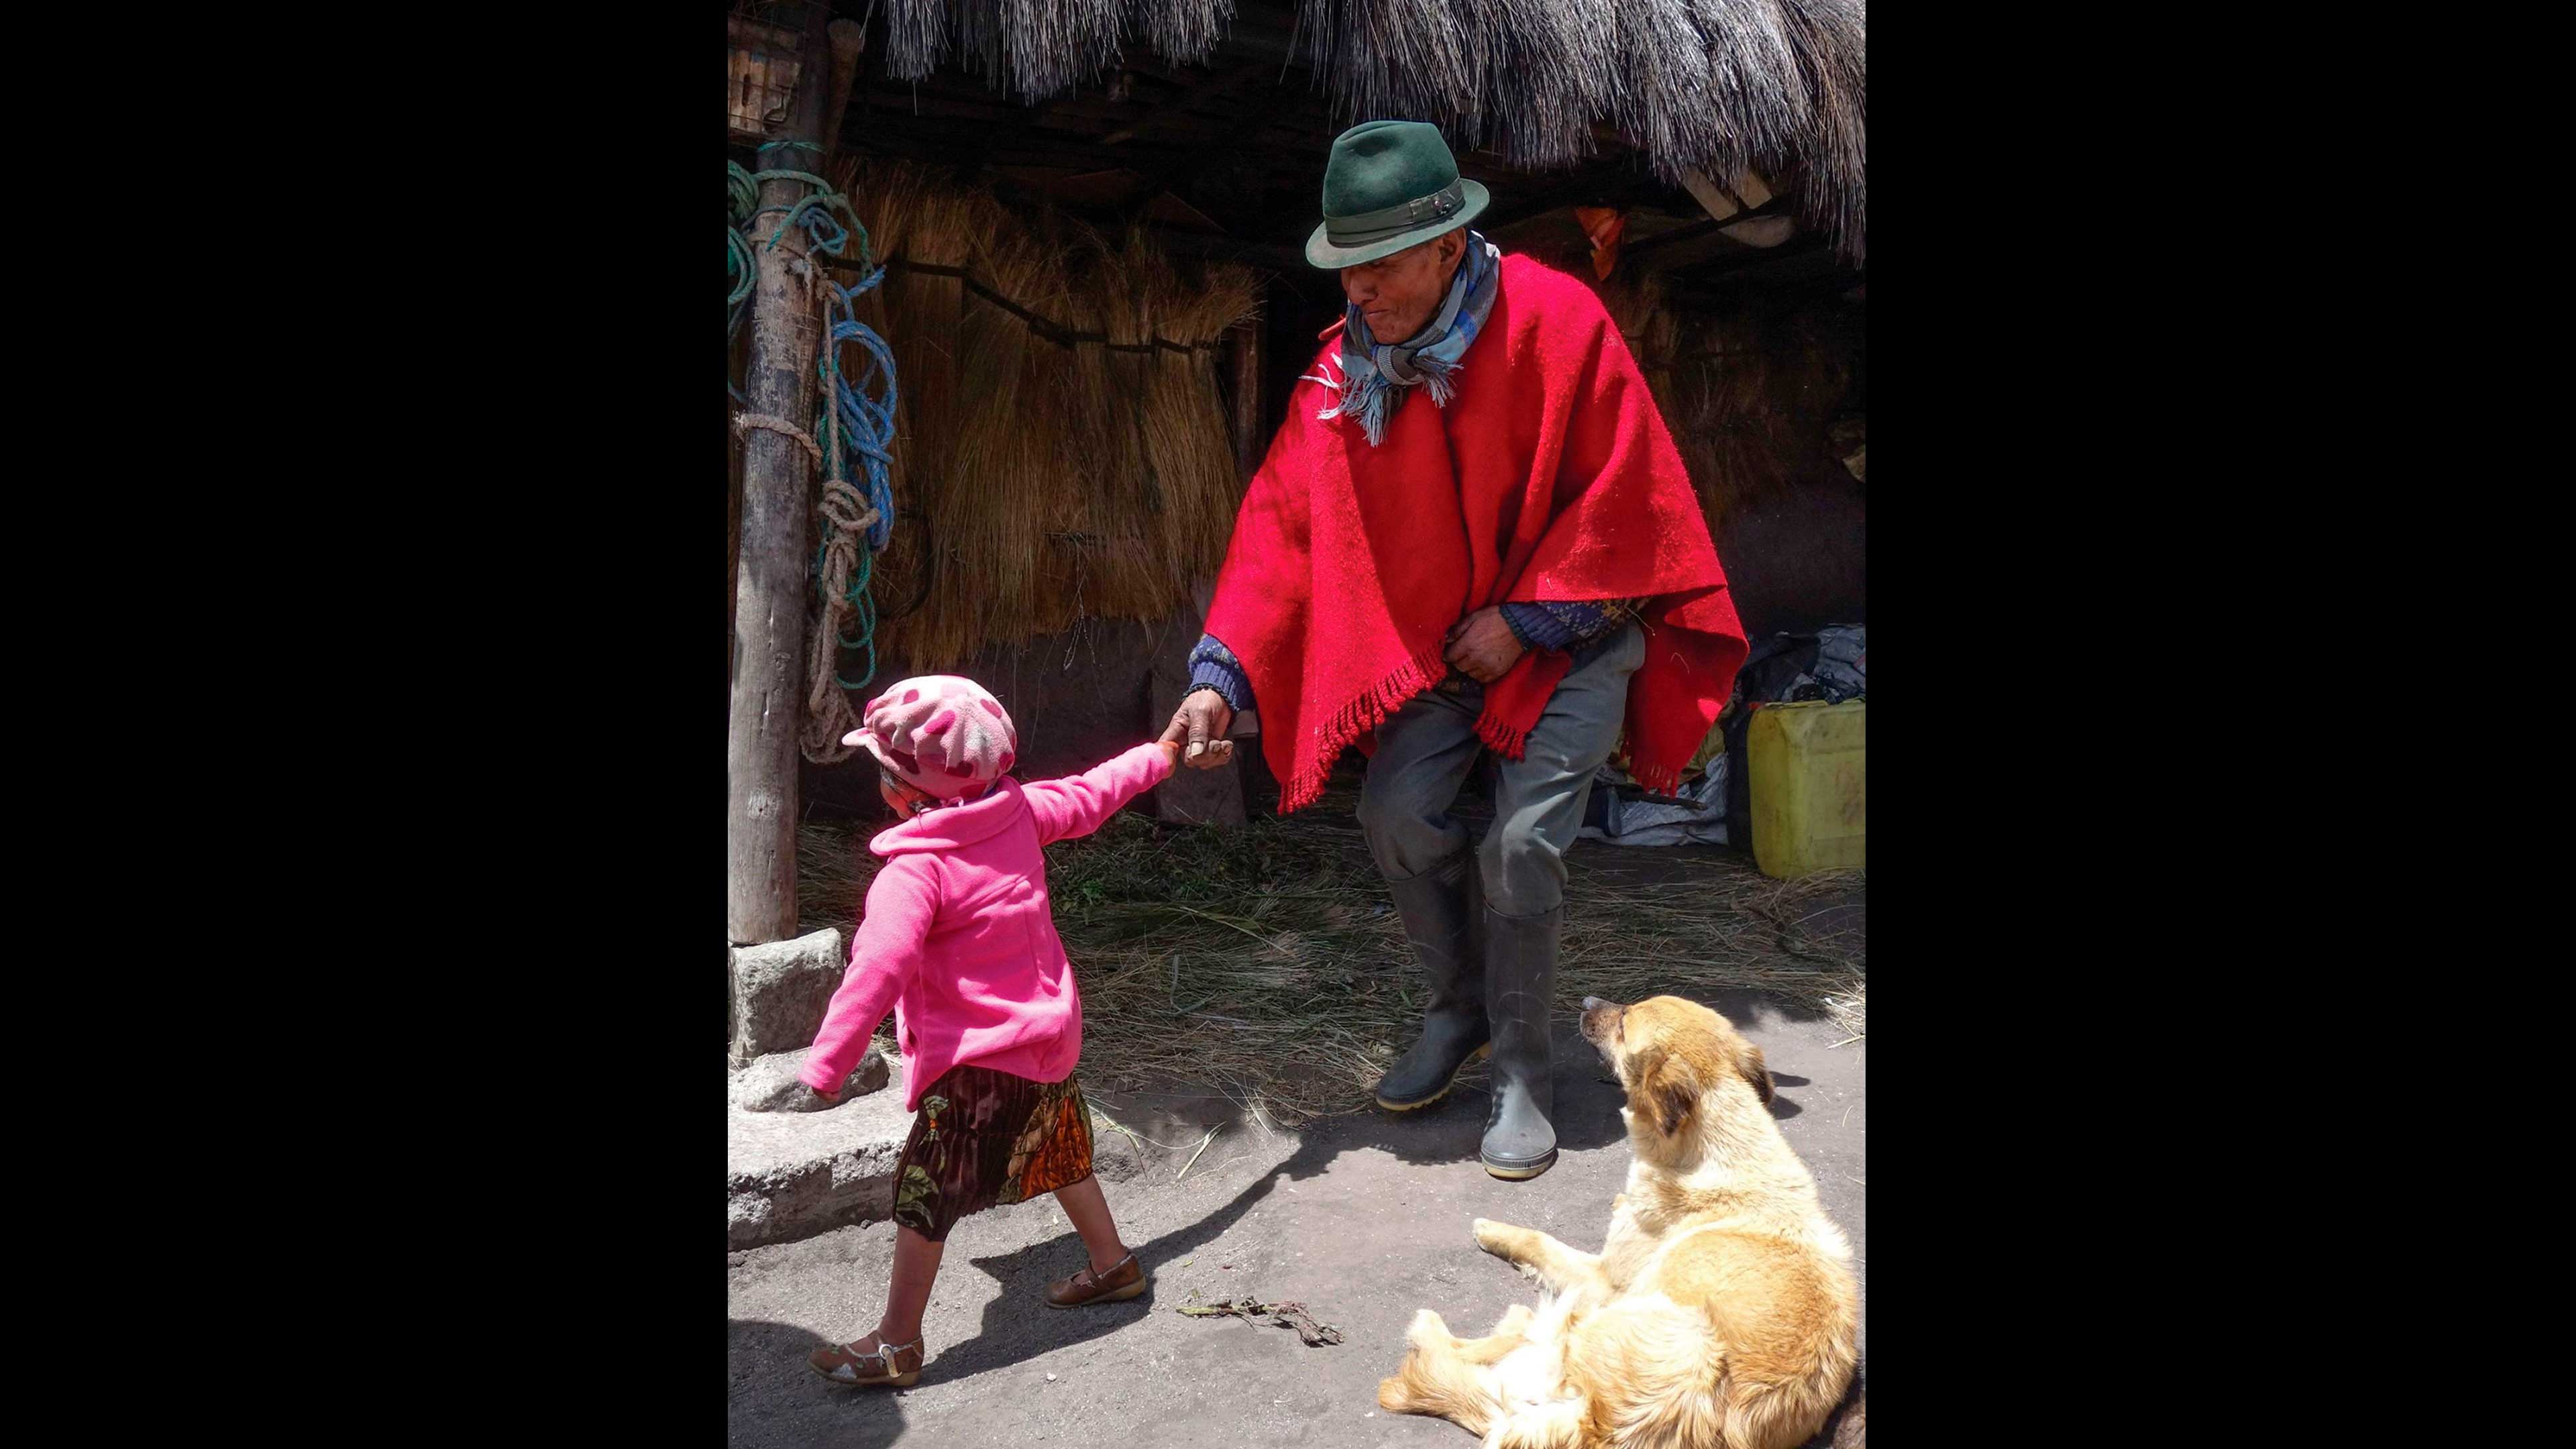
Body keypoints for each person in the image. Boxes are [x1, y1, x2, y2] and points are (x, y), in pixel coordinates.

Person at [1167, 121, 1748, 1181]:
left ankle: (1522, 1068)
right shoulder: (1349, 370)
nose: (1359, 292)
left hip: (1575, 638)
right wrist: (1220, 672)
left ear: (1446, 246)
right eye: (1345, 268)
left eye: (1379, 266)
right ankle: (1461, 1009)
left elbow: (1631, 501)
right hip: (1443, 654)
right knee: (1396, 814)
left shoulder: (1557, 320)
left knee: (1521, 847)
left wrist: (1530, 621)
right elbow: (1284, 526)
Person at [788, 675, 1179, 1389]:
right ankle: (1113, 1265)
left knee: (925, 1195)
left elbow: (878, 968)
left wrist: (826, 1067)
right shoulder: (1019, 812)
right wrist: (1163, 753)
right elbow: (1096, 792)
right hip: (1048, 1038)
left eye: (881, 768)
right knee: (1060, 1150)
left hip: (979, 1064)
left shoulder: (915, 872)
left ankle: (895, 1344)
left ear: (907, 793)